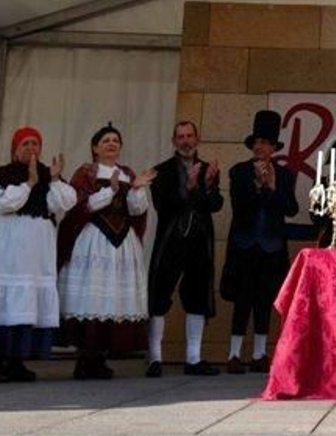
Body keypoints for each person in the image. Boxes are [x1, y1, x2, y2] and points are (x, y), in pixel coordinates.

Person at [0, 126, 75, 383]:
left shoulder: (47, 174)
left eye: (35, 144)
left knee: (27, 304)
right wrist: (29, 184)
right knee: (5, 302)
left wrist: (53, 179)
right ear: (15, 149)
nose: (31, 148)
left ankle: (18, 361)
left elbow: (64, 203)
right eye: (25, 144)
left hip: (36, 253)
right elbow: (2, 204)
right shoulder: (4, 174)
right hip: (8, 249)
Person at [57, 123, 155, 379]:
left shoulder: (127, 173)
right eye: (106, 140)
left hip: (121, 242)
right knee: (91, 297)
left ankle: (100, 356)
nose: (111, 144)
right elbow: (81, 206)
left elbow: (136, 210)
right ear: (95, 147)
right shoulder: (86, 172)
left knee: (112, 298)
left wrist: (136, 188)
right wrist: (109, 191)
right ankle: (85, 358)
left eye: (115, 141)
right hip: (94, 240)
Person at [220, 110, 300, 374]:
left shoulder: (285, 175)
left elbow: (291, 209)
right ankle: (234, 354)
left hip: (271, 245)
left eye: (265, 143)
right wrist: (258, 185)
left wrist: (273, 188)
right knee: (242, 298)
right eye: (256, 142)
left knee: (264, 299)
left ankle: (259, 354)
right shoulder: (239, 172)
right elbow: (239, 207)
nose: (259, 147)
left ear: (273, 147)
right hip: (245, 243)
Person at [145, 119, 225, 377]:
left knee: (198, 296)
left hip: (199, 242)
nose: (185, 141)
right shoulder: (162, 171)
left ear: (197, 139)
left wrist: (209, 185)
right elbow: (162, 205)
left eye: (189, 136)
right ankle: (155, 359)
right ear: (174, 141)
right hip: (170, 241)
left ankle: (193, 359)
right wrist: (189, 188)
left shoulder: (208, 169)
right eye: (180, 137)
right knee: (159, 296)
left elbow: (215, 205)